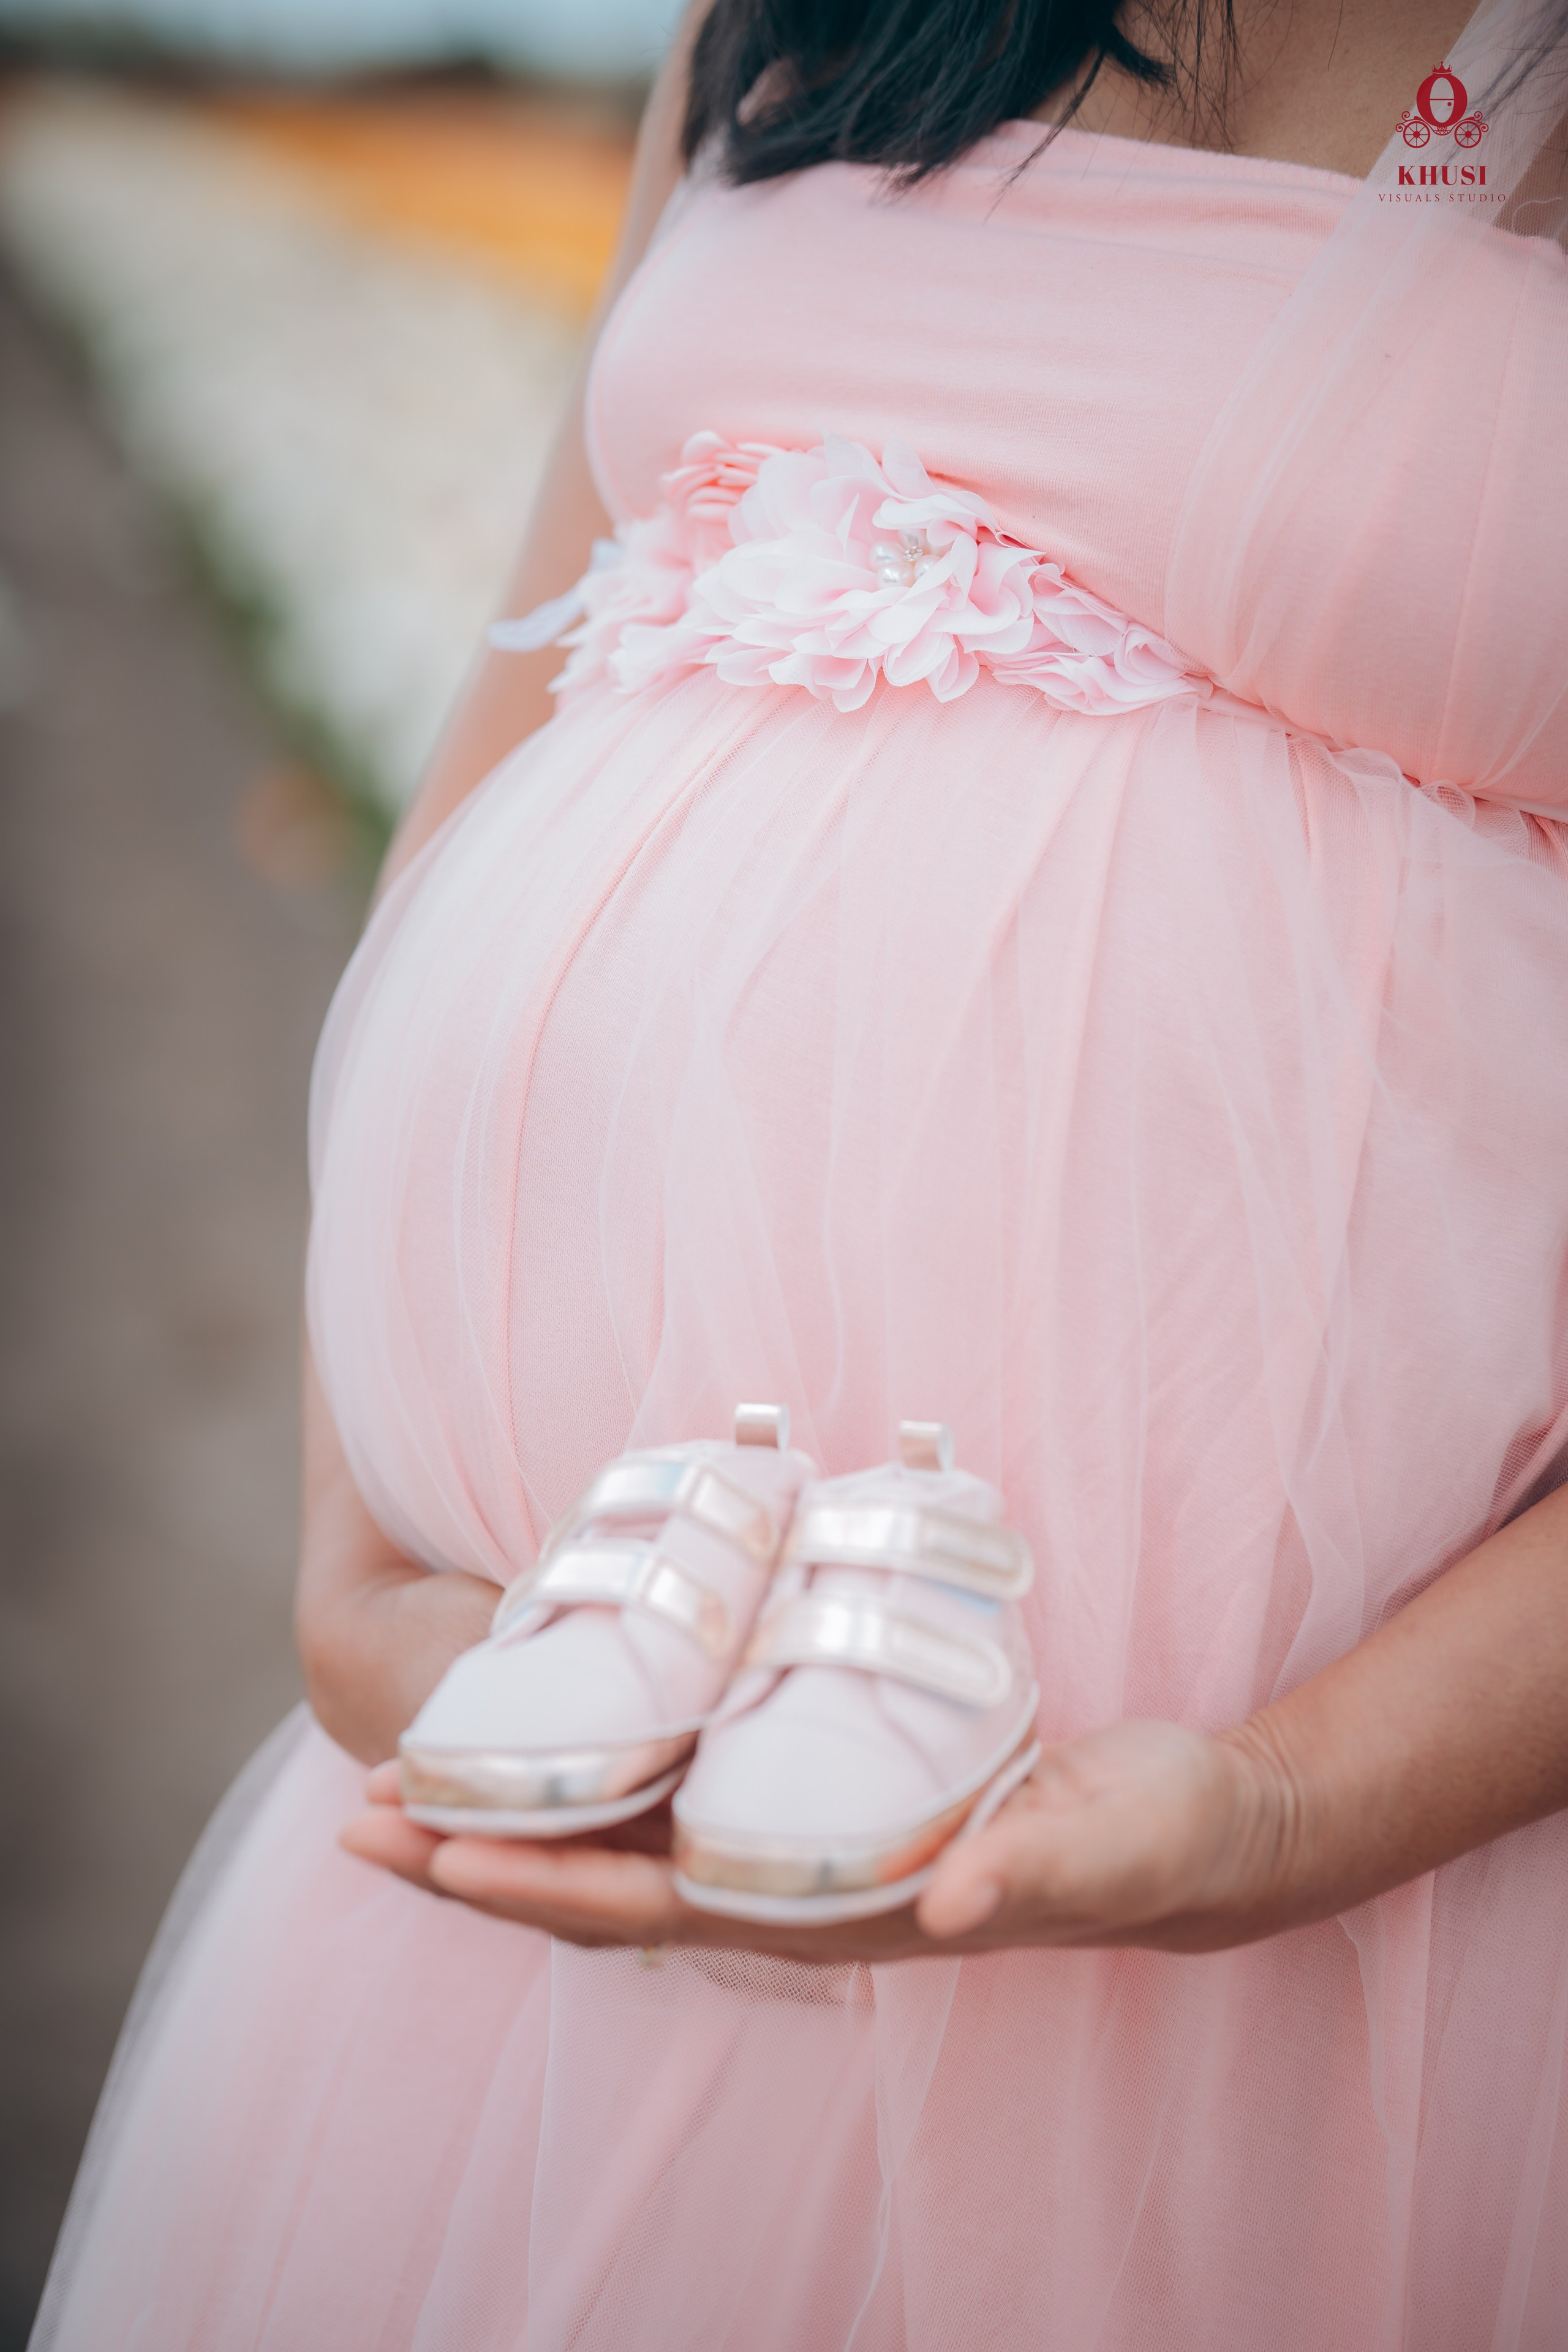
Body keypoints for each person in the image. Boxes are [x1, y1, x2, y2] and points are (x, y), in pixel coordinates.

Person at [31, 1, 1568, 2345]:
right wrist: (363, 1568)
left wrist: (1278, 1809)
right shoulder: (791, 16)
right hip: (560, 1772)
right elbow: (505, 740)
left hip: (1321, 1974)